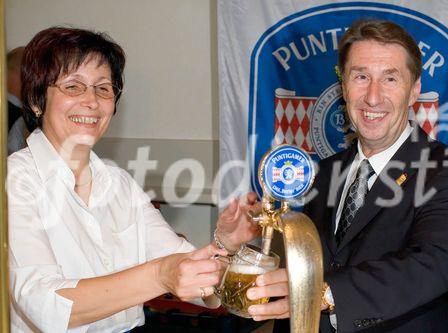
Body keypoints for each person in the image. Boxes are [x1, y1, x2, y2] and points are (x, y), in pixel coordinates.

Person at [7, 27, 259, 333]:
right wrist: (159, 275)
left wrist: (224, 245)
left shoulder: (118, 183)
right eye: (73, 86)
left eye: (103, 88)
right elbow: (44, 306)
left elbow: (183, 269)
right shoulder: (14, 180)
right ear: (36, 100)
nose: (91, 101)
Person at [245, 20, 448, 332]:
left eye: (390, 79)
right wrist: (251, 239)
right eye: (361, 77)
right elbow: (309, 264)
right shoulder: (326, 172)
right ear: (343, 87)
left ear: (415, 90)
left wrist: (324, 293)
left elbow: (432, 267)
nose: (372, 97)